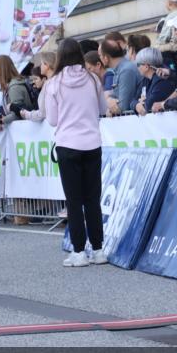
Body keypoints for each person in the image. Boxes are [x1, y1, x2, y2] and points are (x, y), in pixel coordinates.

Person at [44, 38, 109, 267]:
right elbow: (103, 108)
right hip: (92, 142)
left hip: (68, 143)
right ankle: (98, 250)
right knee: (93, 199)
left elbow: (52, 119)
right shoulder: (92, 79)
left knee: (73, 200)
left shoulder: (54, 83)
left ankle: (79, 252)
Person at [134, 48, 176, 116]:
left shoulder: (161, 80)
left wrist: (142, 102)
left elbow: (149, 104)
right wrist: (136, 105)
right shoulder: (145, 80)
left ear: (146, 66)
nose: (137, 67)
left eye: (138, 64)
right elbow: (133, 100)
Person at [101, 39, 138, 115]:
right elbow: (114, 96)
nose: (99, 58)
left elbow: (123, 106)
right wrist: (109, 101)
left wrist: (109, 105)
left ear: (106, 58)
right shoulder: (119, 69)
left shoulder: (126, 70)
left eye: (100, 55)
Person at [0, 55, 32, 125]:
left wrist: (2, 121)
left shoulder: (14, 87)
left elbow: (18, 113)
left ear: (1, 70)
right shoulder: (13, 84)